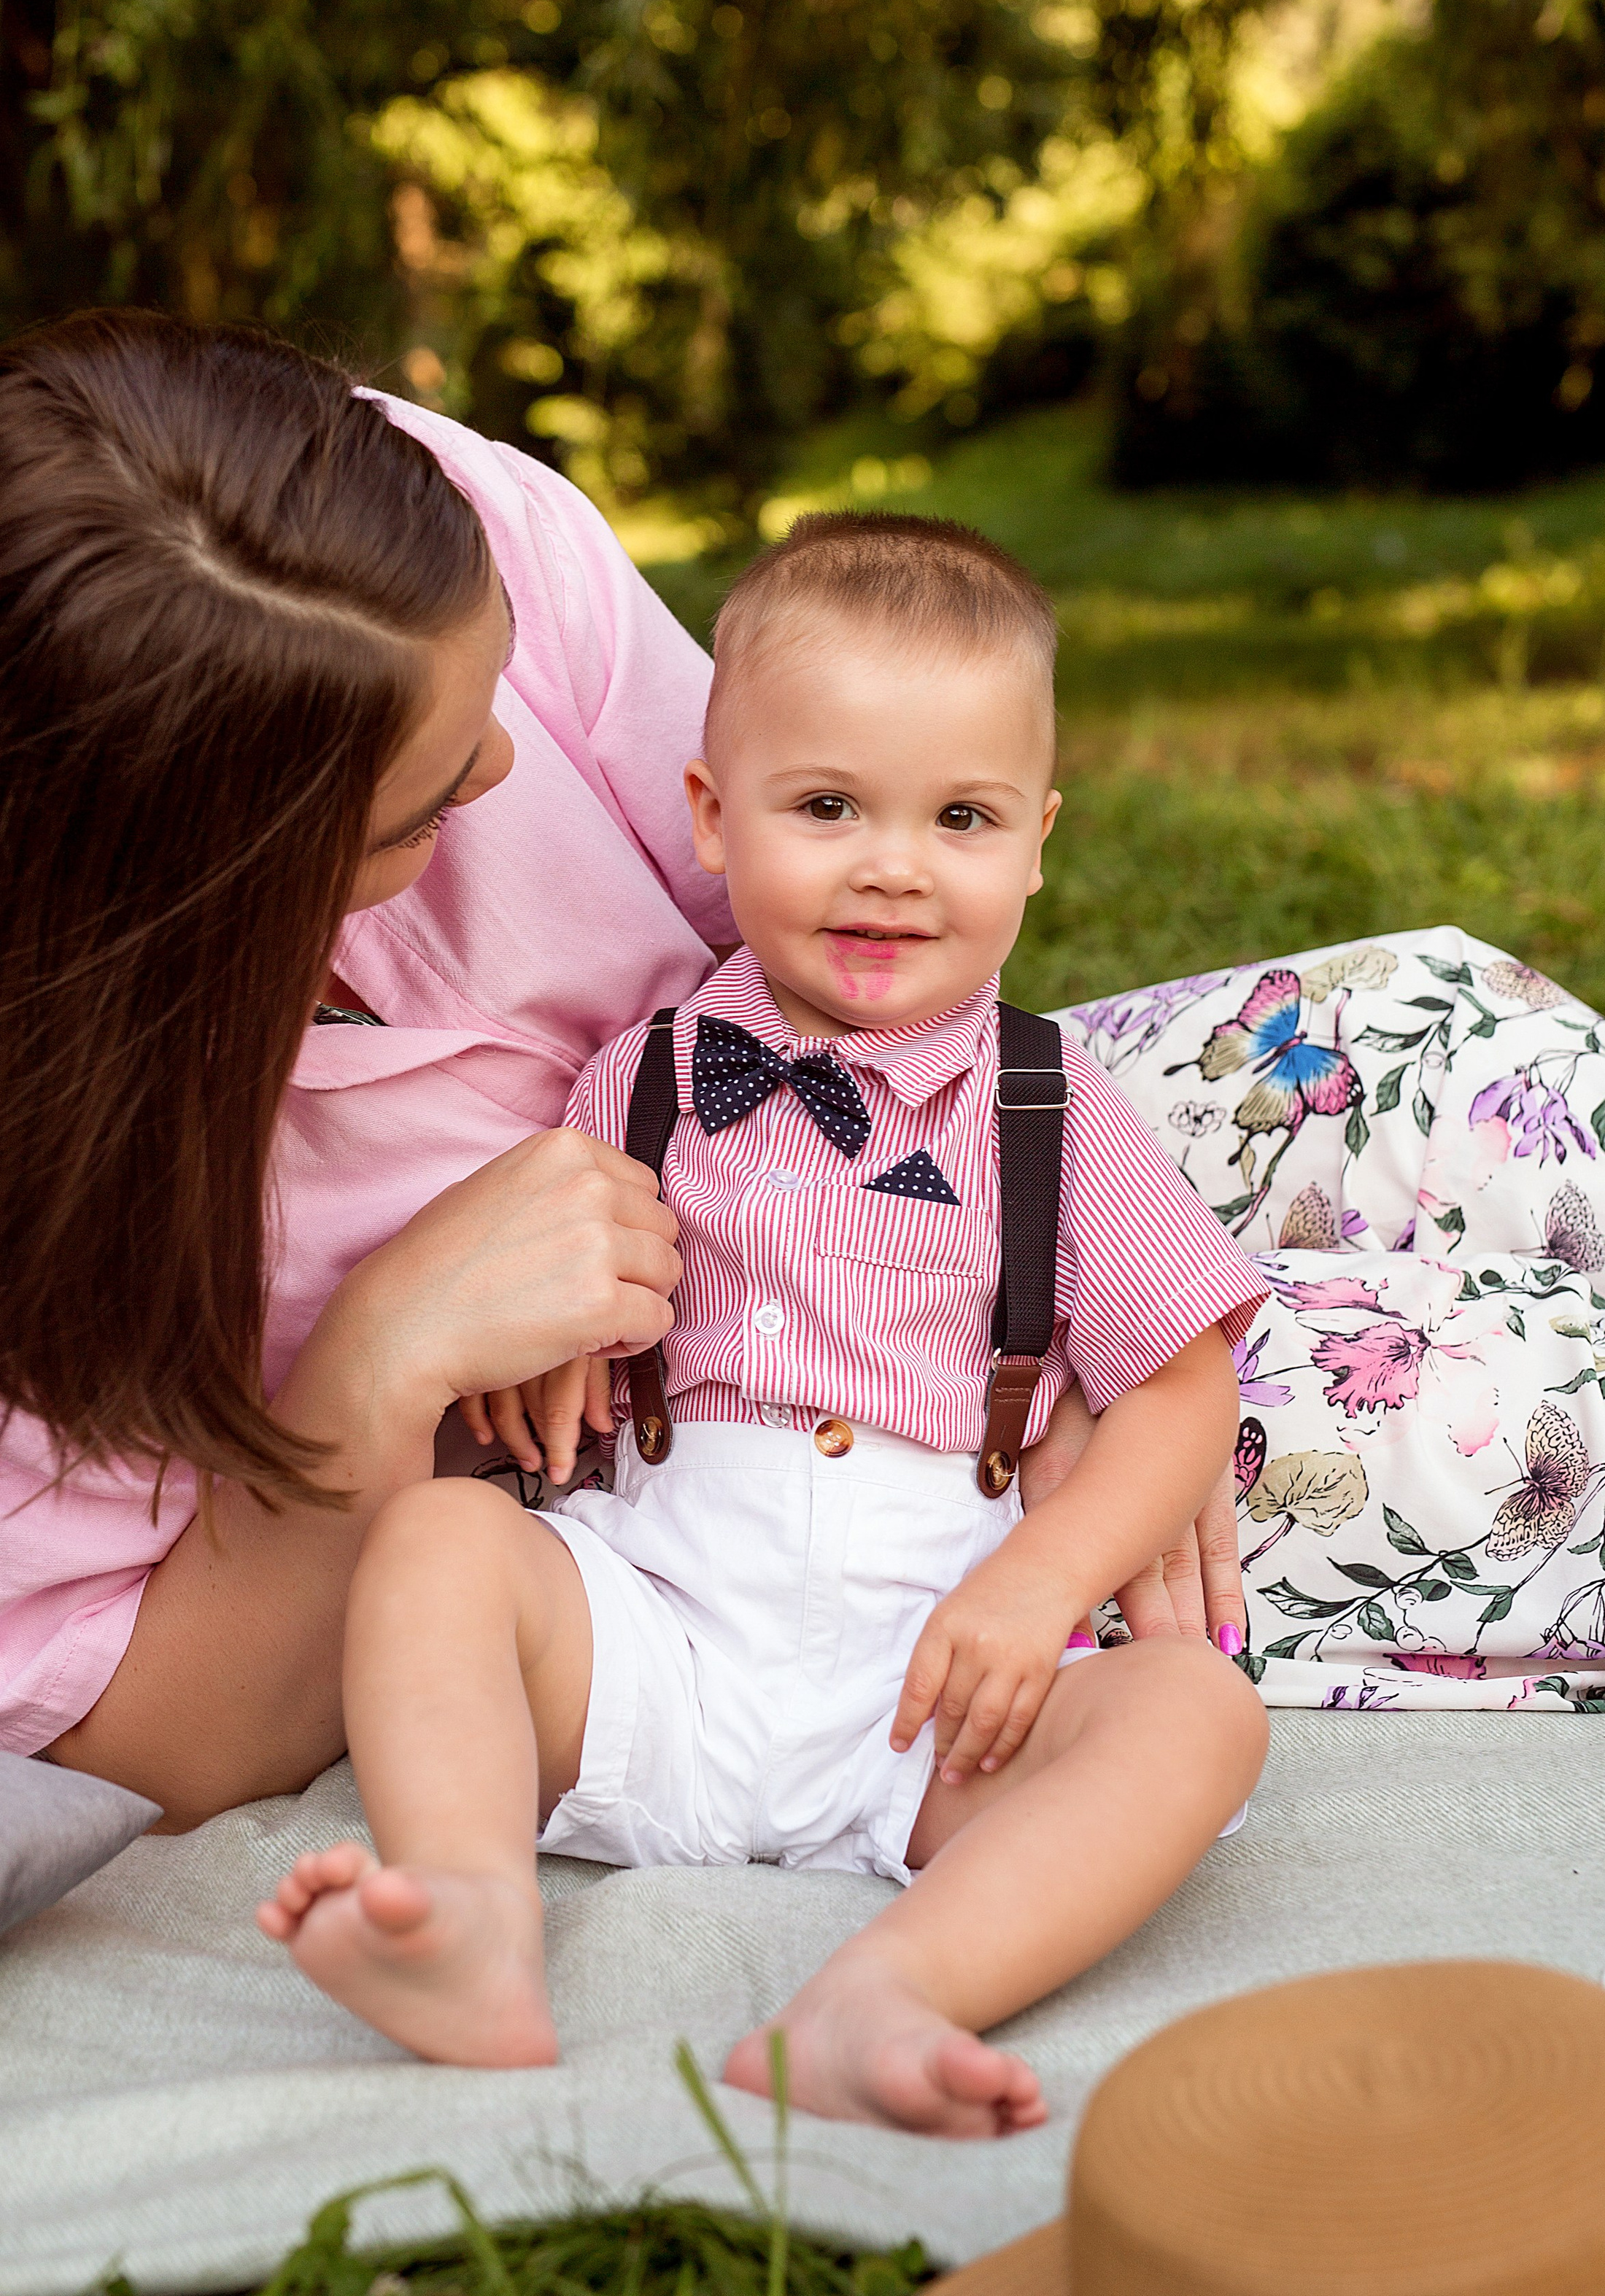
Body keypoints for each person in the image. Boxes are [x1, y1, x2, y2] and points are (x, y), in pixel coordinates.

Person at [0, 313, 1245, 1830]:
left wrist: (1022, 1311)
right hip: (630, 1604)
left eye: (496, 687)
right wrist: (381, 1356)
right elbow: (140, 1738)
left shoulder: (389, 523)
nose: (507, 768)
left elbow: (851, 880)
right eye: (422, 814)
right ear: (207, 904)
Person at [256, 514, 1271, 2133]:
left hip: (928, 1684)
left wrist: (1042, 1582)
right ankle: (467, 1918)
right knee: (441, 1544)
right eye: (826, 807)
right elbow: (567, 1274)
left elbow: (1181, 1386)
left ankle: (887, 1997)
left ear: (1036, 843)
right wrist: (557, 1346)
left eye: (960, 818)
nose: (892, 865)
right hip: (660, 1629)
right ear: (714, 819)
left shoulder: (1048, 1099)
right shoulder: (645, 1072)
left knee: (1194, 1715)